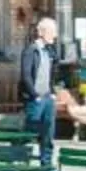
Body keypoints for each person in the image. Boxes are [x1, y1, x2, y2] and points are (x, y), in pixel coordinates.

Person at [20, 15, 72, 162]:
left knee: (48, 133)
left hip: (48, 97)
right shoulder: (31, 50)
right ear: (41, 32)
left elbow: (53, 73)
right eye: (52, 31)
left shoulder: (50, 51)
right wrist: (34, 95)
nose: (55, 35)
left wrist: (53, 93)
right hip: (35, 99)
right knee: (30, 132)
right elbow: (26, 75)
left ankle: (46, 164)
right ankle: (18, 161)